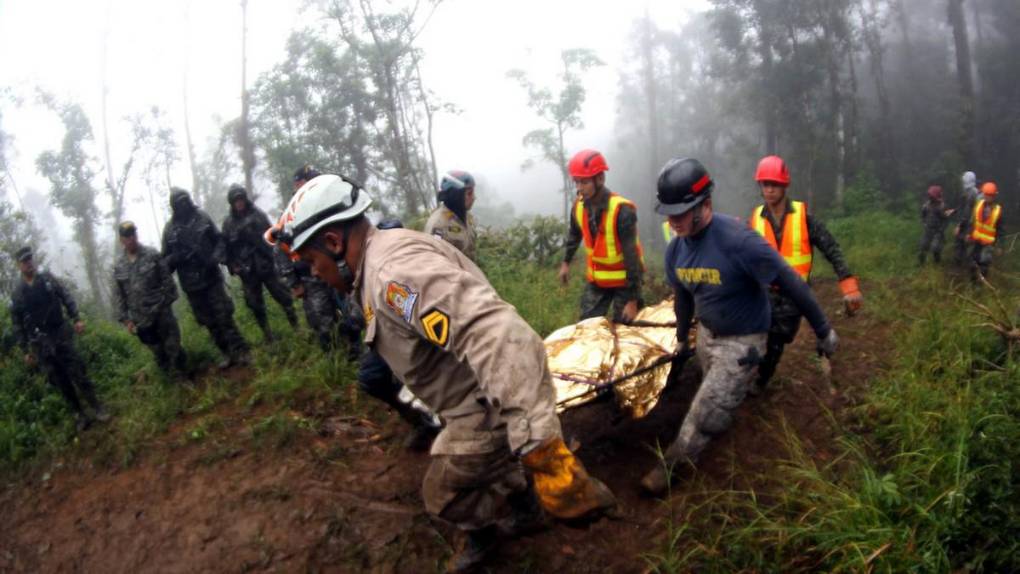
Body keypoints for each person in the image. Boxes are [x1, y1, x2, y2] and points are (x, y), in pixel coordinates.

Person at [269, 173, 617, 572]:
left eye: (312, 261)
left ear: (333, 242)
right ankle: (524, 502)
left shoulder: (392, 275)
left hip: (485, 409)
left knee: (441, 495)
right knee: (480, 467)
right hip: (475, 396)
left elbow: (501, 336)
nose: (314, 273)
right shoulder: (385, 255)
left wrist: (543, 451)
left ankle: (488, 531)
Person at [639, 158, 839, 496]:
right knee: (709, 388)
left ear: (705, 205)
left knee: (706, 414)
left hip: (743, 343)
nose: (672, 221)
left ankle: (670, 467)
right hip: (707, 335)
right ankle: (723, 406)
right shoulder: (676, 250)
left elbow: (791, 281)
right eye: (668, 213)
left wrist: (823, 329)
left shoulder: (739, 241)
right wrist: (682, 338)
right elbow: (684, 297)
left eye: (680, 212)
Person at [747, 155, 861, 393]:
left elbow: (831, 248)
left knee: (778, 339)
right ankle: (748, 377)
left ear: (784, 185)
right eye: (764, 184)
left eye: (774, 184)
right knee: (753, 338)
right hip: (762, 293)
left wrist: (848, 286)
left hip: (793, 295)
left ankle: (760, 381)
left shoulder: (803, 217)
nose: (769, 189)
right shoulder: (755, 219)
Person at [10, 246, 109, 431]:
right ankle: (80, 414)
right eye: (24, 261)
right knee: (60, 379)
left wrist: (76, 318)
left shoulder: (47, 279)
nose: (28, 263)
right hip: (40, 343)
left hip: (60, 332)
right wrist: (25, 350)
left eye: (30, 259)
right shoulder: (18, 293)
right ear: (19, 265)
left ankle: (97, 406)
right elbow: (17, 324)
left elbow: (65, 296)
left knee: (77, 370)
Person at [162, 188, 250, 369]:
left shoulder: (202, 217)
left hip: (211, 278)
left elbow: (219, 240)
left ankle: (242, 351)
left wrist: (215, 258)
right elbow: (165, 263)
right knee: (209, 322)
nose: (184, 205)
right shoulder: (170, 230)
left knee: (224, 316)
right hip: (192, 285)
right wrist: (175, 258)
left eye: (185, 200)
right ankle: (227, 353)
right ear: (174, 207)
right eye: (179, 203)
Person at [559, 149, 645, 323]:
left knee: (626, 331)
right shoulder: (579, 206)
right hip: (597, 281)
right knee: (587, 327)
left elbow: (632, 256)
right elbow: (574, 234)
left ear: (600, 179)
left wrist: (633, 300)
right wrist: (566, 263)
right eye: (576, 182)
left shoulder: (622, 210)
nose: (579, 188)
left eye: (584, 182)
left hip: (625, 283)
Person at [222, 183, 299, 341]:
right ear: (232, 203)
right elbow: (225, 248)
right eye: (236, 201)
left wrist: (275, 257)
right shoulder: (228, 224)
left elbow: (272, 236)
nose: (239, 203)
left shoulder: (257, 214)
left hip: (265, 265)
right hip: (247, 271)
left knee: (283, 295)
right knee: (255, 304)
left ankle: (296, 327)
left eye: (241, 199)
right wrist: (232, 265)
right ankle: (268, 335)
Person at [112, 221, 188, 378]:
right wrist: (126, 320)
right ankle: (168, 379)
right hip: (141, 318)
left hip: (161, 311)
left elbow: (167, 280)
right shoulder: (119, 265)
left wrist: (166, 302)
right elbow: (119, 294)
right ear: (122, 240)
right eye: (127, 236)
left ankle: (182, 375)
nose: (131, 238)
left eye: (133, 234)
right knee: (157, 350)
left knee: (173, 345)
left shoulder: (151, 254)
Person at [424, 170, 478, 261]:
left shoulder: (464, 217)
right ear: (456, 195)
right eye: (469, 193)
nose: (474, 197)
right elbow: (435, 264)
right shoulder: (438, 225)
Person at [968, 181, 1004, 282]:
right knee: (973, 263)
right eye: (986, 195)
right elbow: (973, 222)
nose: (988, 197)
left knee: (984, 264)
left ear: (994, 196)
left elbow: (1000, 230)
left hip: (988, 244)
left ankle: (981, 285)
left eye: (990, 195)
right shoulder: (978, 205)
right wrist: (969, 233)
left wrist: (1000, 246)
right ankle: (973, 283)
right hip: (976, 240)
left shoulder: (998, 210)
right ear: (983, 194)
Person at [919, 185, 954, 265]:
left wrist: (941, 230)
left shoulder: (942, 206)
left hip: (938, 231)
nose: (930, 197)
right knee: (923, 246)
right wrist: (924, 223)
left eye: (932, 196)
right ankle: (921, 265)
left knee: (935, 248)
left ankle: (937, 263)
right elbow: (922, 216)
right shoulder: (926, 206)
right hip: (928, 230)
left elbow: (946, 220)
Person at [954, 171, 981, 266]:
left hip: (969, 224)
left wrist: (959, 225)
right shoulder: (975, 192)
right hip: (972, 223)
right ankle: (967, 265)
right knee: (968, 244)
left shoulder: (971, 193)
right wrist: (954, 211)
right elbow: (962, 207)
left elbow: (967, 211)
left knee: (962, 242)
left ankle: (962, 267)